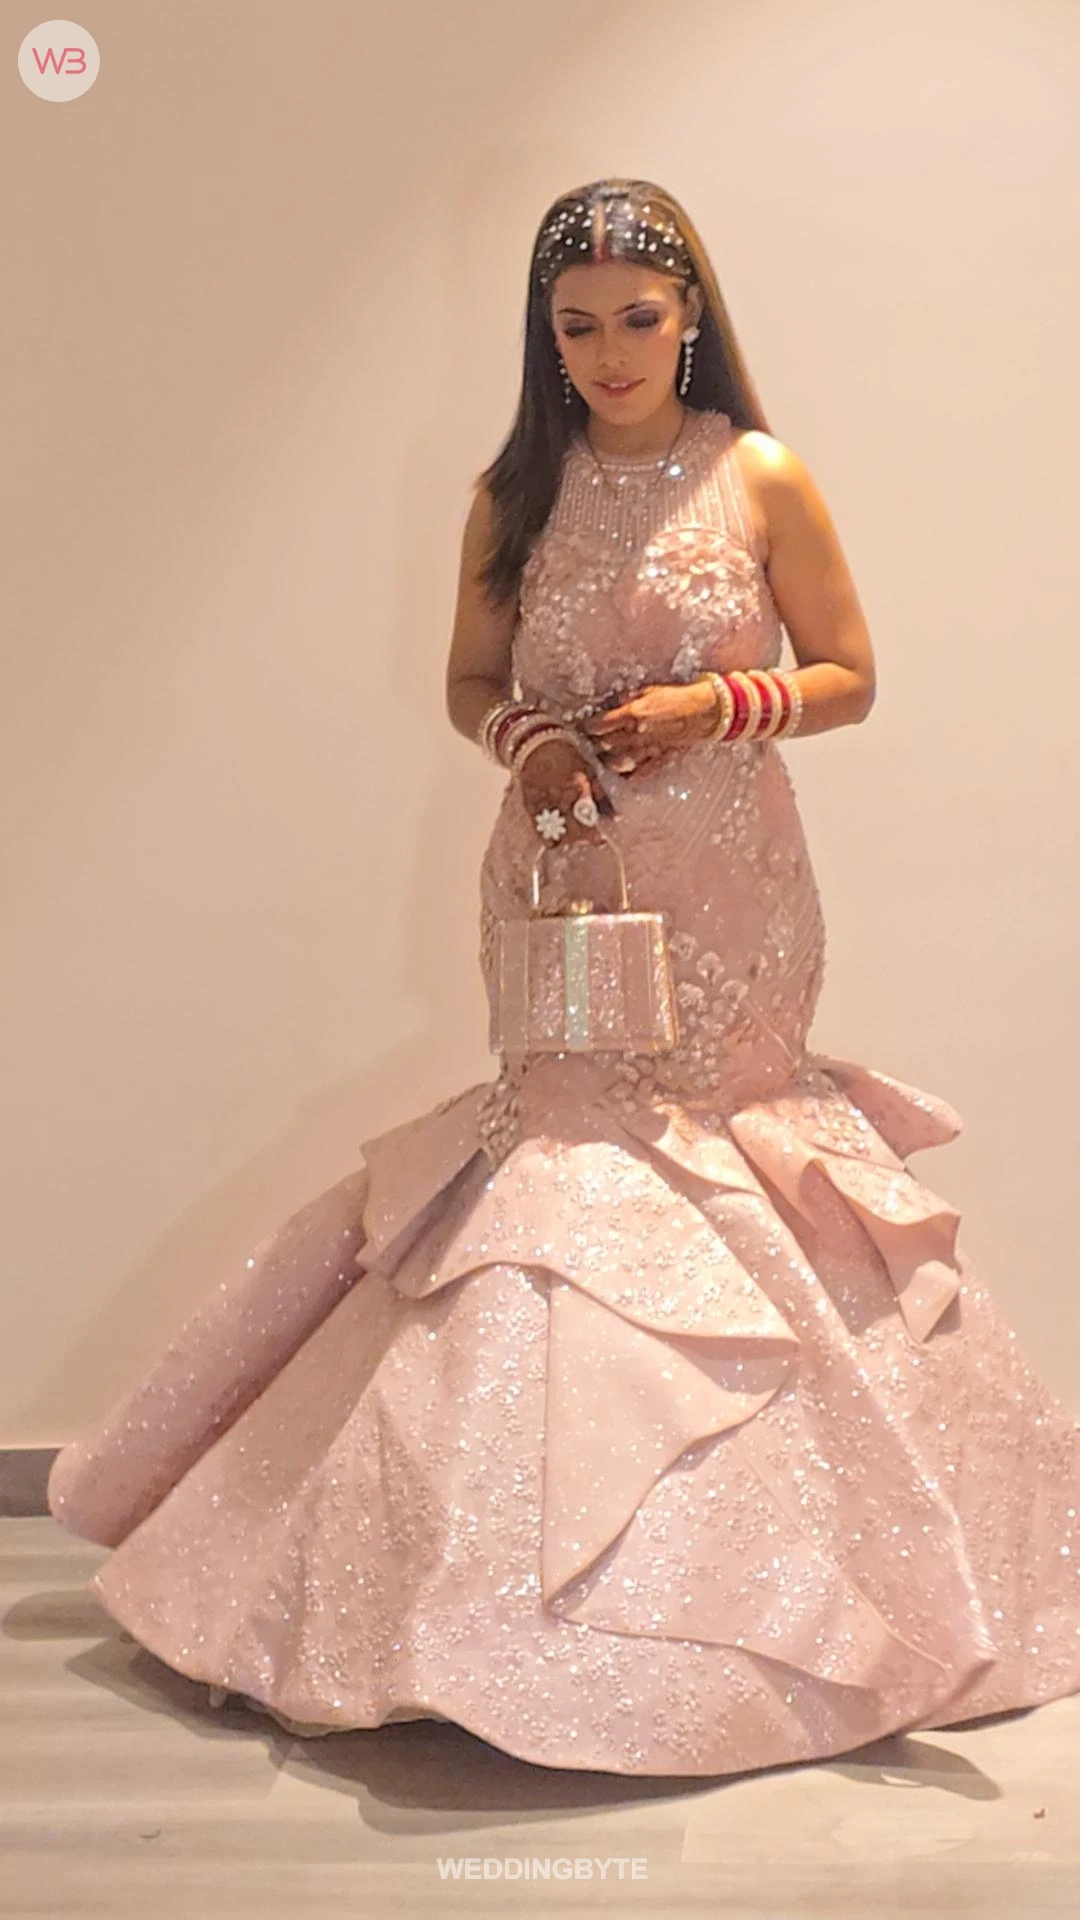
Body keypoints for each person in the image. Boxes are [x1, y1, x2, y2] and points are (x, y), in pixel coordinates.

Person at [48, 178, 1080, 1779]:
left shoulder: (756, 474)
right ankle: (478, 1592)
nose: (610, 353)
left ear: (692, 315)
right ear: (547, 338)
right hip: (561, 872)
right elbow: (469, 679)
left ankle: (812, 1573)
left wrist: (713, 708)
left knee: (722, 1136)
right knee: (567, 1157)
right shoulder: (511, 494)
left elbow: (851, 677)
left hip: (728, 879)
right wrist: (524, 739)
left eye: (638, 320)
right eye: (578, 327)